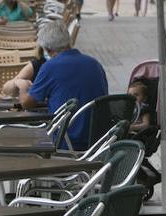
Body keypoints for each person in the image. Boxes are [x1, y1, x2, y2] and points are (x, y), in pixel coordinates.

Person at [22, 20, 109, 149]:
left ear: (47, 48)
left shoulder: (50, 67)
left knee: (19, 135)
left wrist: (22, 88)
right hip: (97, 141)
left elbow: (26, 104)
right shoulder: (94, 64)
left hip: (66, 140)